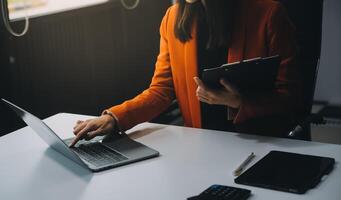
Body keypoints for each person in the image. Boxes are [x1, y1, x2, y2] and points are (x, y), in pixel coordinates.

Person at [70, 0, 302, 147]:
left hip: (259, 145)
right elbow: (161, 91)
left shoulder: (268, 14)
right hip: (200, 147)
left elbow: (290, 97)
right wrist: (115, 118)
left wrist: (239, 101)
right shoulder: (173, 18)